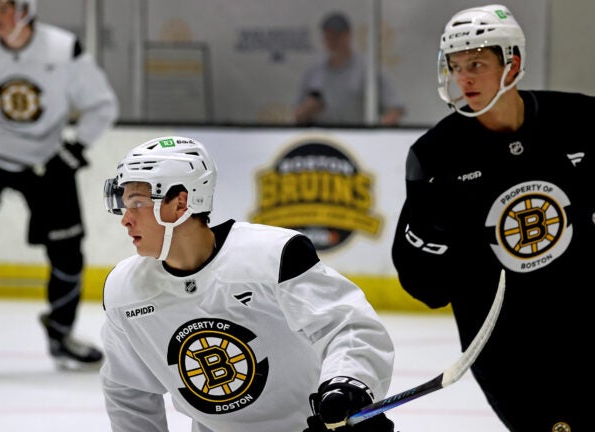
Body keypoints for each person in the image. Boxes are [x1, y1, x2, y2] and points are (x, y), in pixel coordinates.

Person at [100, 136, 396, 431]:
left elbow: (349, 326)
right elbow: (129, 393)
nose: (126, 219)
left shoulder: (273, 256)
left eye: (138, 203)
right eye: (125, 204)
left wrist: (347, 387)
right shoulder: (124, 291)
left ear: (180, 203)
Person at [391, 4, 589, 431]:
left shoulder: (583, 122)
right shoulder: (435, 157)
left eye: (477, 63)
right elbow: (423, 287)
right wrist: (432, 227)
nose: (463, 78)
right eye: (456, 66)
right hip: (509, 353)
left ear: (512, 64)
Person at [0, 0, 119, 371]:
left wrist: (74, 149)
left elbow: (102, 105)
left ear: (27, 10)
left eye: (6, 9)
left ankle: (60, 333)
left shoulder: (63, 48)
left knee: (69, 253)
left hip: (46, 159)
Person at [294, 11, 405, 127]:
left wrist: (377, 135)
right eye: (328, 36)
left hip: (356, 141)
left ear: (349, 35)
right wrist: (307, 110)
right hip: (322, 140)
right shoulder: (313, 73)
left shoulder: (367, 70)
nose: (332, 41)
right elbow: (297, 116)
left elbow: (395, 108)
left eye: (337, 36)